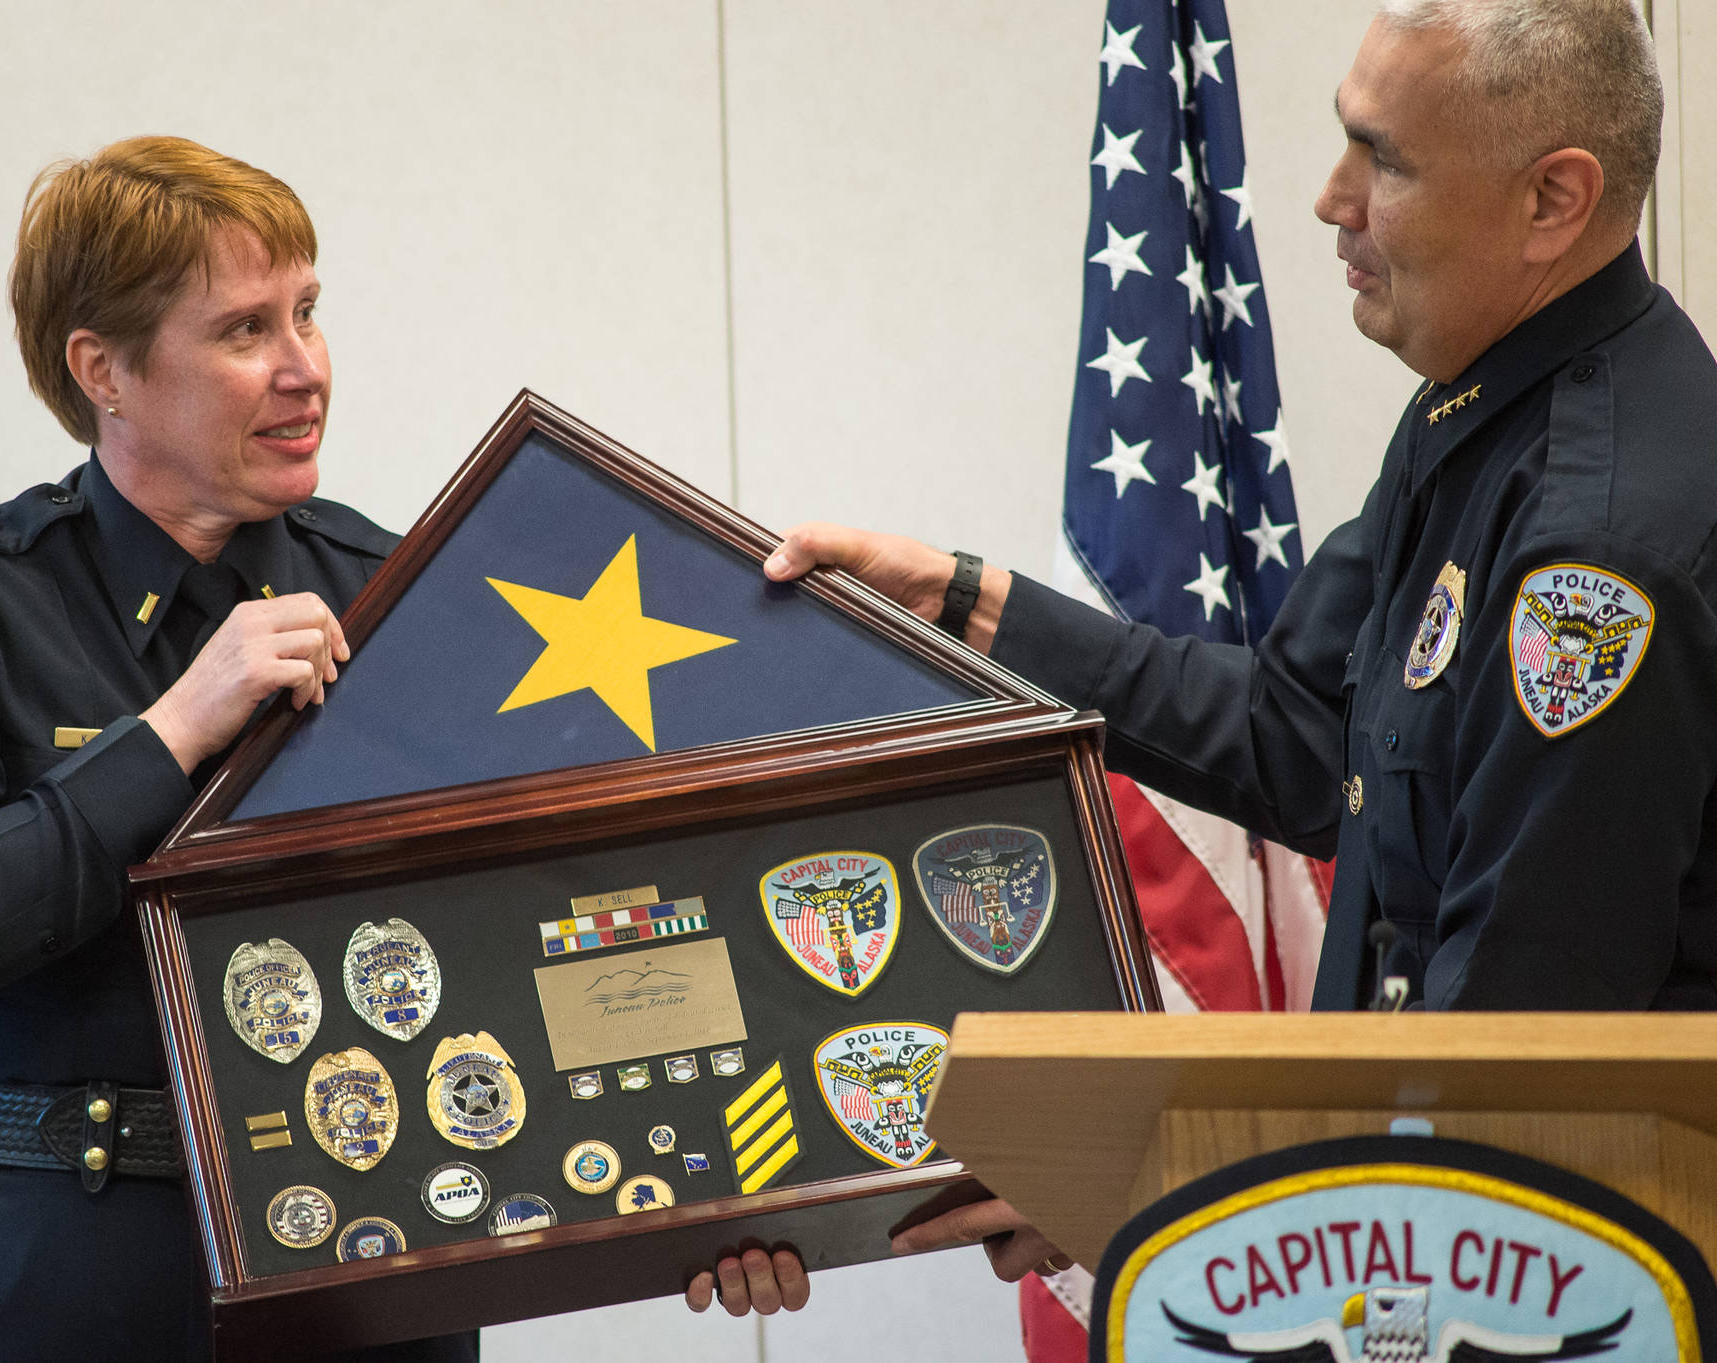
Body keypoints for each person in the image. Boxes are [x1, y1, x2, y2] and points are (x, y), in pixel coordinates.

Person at [690, 0, 1715, 1320]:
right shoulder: (1487, 412)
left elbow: (1501, 1080)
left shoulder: (1599, 555)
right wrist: (965, 604)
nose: (1327, 198)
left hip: (1551, 1298)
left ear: (1552, 201)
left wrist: (1147, 1193)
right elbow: (1298, 728)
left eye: (1383, 159)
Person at [0, 135, 462, 1361]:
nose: (303, 369)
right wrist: (168, 736)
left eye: (307, 314)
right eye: (243, 330)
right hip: (47, 1278)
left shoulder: (397, 592)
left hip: (366, 1274)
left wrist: (701, 1201)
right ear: (103, 370)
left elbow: (531, 918)